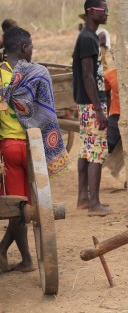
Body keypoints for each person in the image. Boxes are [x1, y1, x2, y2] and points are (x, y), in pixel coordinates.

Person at [0, 27, 69, 272]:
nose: (33, 50)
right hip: (34, 148)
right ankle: (18, 254)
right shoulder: (38, 73)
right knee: (25, 207)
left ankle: (24, 257)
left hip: (9, 149)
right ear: (23, 48)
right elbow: (47, 111)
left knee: (15, 207)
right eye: (31, 46)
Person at [73, 0, 112, 216]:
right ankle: (94, 203)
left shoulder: (88, 36)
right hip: (91, 104)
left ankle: (83, 198)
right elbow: (88, 76)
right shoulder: (88, 39)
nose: (106, 13)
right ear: (90, 11)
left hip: (86, 103)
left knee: (86, 151)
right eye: (102, 10)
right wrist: (98, 109)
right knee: (96, 152)